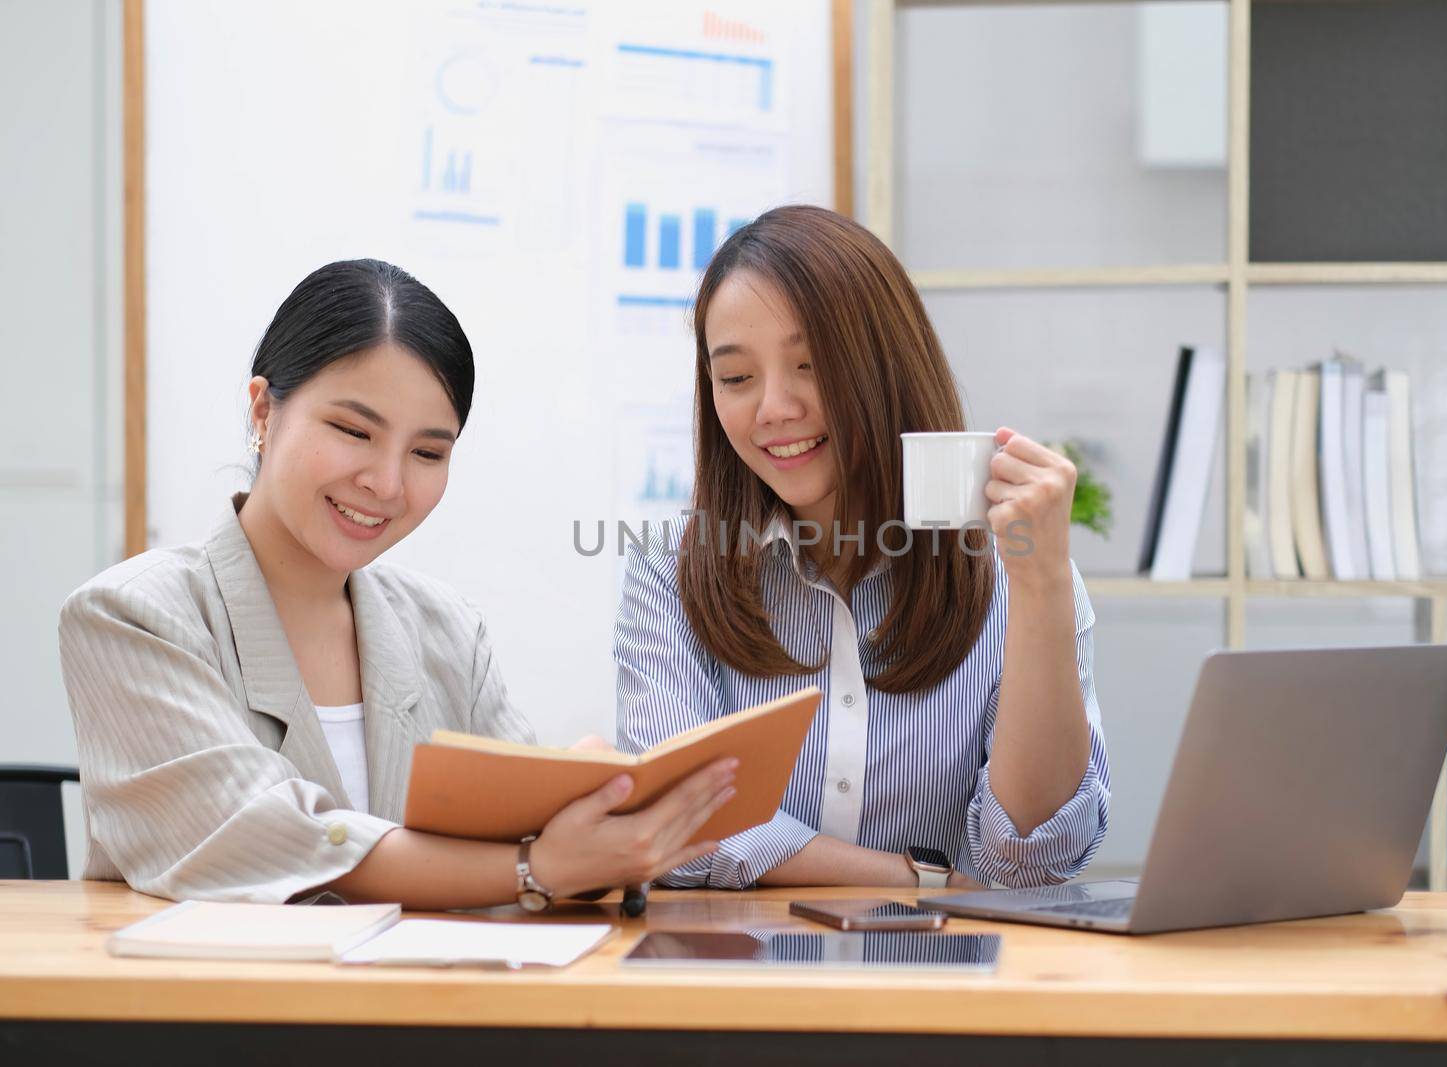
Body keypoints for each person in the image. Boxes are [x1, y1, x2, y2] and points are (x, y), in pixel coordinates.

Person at [59, 258, 734, 907]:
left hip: (431, 1018)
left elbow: (534, 827)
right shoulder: (131, 616)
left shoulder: (445, 631)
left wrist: (590, 801)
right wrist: (535, 868)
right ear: (263, 412)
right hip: (212, 1018)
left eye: (428, 452)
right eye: (354, 430)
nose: (386, 482)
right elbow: (258, 835)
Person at [615, 205, 1111, 891]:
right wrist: (917, 878)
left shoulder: (1013, 571)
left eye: (810, 364)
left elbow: (1028, 859)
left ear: (887, 366)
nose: (773, 408)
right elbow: (674, 824)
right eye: (735, 378)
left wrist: (1044, 586)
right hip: (736, 982)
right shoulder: (668, 565)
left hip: (946, 981)